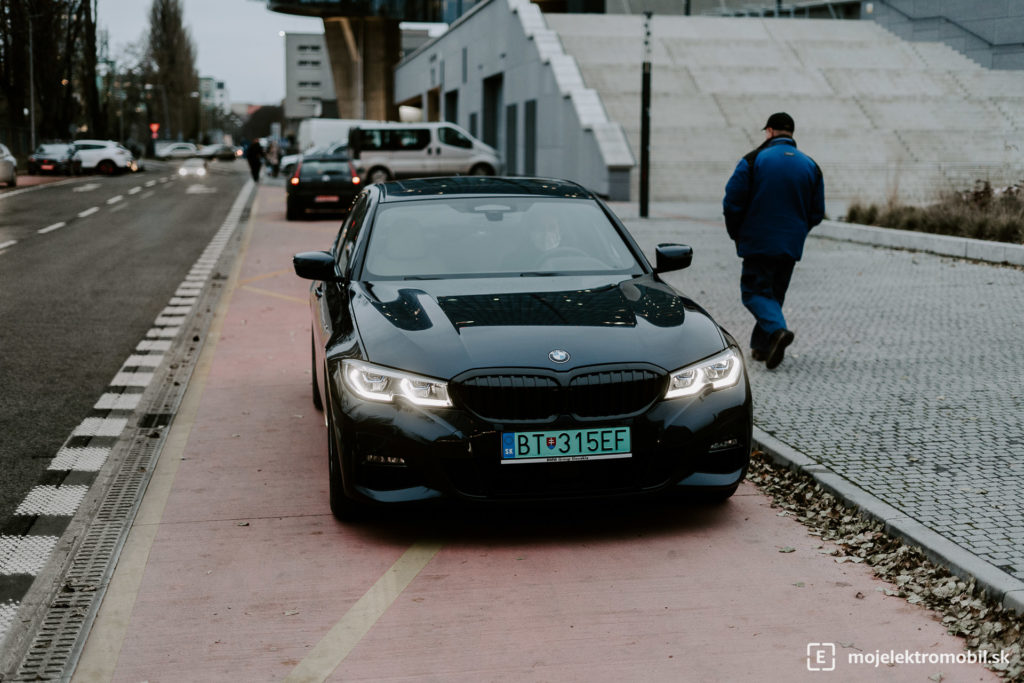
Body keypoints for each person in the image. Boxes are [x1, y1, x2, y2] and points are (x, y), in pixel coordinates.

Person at [723, 112, 825, 369]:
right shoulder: (811, 165)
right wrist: (798, 231)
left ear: (769, 132)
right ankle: (761, 347)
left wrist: (737, 232)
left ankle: (778, 332)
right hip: (790, 245)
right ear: (791, 132)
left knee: (754, 293)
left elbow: (732, 202)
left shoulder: (753, 159)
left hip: (758, 241)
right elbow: (817, 211)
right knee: (773, 295)